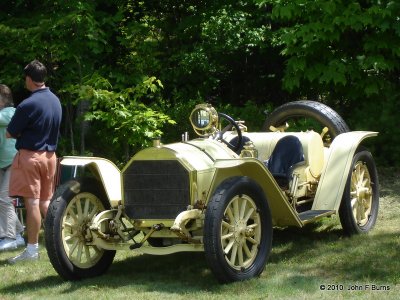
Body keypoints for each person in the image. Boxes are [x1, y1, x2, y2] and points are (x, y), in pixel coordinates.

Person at [6, 60, 62, 263]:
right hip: (50, 157)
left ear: (29, 79)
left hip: (31, 157)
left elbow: (10, 132)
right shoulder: (55, 100)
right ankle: (63, 241)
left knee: (32, 203)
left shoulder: (28, 104)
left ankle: (32, 250)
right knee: (47, 203)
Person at [0, 84, 25, 251]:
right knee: (2, 200)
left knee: (4, 199)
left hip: (13, 162)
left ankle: (9, 238)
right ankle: (18, 233)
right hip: (3, 163)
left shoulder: (10, 113)